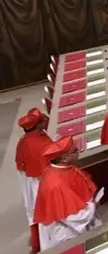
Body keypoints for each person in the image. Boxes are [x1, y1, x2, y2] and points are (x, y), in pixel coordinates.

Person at [33, 137, 101, 250]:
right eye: (74, 150)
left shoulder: (65, 168)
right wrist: (93, 206)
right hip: (66, 232)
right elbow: (71, 216)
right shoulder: (55, 184)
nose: (78, 151)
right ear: (64, 158)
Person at [16, 108, 51, 254]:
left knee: (32, 213)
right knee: (45, 215)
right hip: (39, 183)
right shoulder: (40, 144)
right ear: (38, 125)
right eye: (44, 120)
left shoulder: (23, 141)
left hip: (28, 183)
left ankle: (36, 244)